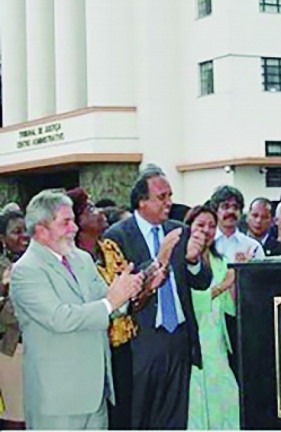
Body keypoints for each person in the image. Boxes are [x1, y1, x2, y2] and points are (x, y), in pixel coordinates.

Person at [10, 189, 142, 431]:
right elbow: (60, 318)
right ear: (41, 229)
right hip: (57, 400)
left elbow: (108, 303)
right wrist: (111, 302)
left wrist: (128, 291)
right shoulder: (26, 270)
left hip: (96, 394)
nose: (74, 229)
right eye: (66, 222)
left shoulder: (81, 259)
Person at [104, 165, 211, 430]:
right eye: (162, 197)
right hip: (142, 340)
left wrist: (194, 260)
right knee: (140, 415)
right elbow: (121, 286)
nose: (169, 203)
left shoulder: (178, 230)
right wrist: (158, 259)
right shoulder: (118, 235)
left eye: (170, 196)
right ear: (142, 202)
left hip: (178, 338)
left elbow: (201, 281)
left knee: (174, 418)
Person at [67, 187, 143, 430]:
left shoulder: (109, 246)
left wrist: (143, 284)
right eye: (90, 208)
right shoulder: (72, 258)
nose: (99, 211)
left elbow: (126, 287)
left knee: (123, 410)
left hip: (121, 343)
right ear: (77, 221)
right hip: (92, 346)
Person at [184, 205, 240, 430]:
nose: (206, 231)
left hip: (218, 343)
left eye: (211, 226)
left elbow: (230, 308)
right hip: (195, 344)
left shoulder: (220, 260)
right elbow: (193, 304)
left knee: (228, 400)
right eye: (200, 225)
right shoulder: (183, 261)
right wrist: (221, 287)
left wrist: (237, 280)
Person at [0, 209, 29, 429]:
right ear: (2, 238)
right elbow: (8, 315)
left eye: (26, 230)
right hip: (11, 350)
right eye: (16, 232)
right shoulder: (3, 268)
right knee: (15, 417)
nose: (24, 236)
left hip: (39, 349)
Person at [211, 186, 265, 262]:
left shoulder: (253, 247)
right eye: (225, 207)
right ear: (215, 211)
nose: (231, 211)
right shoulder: (207, 243)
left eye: (235, 207)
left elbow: (262, 273)